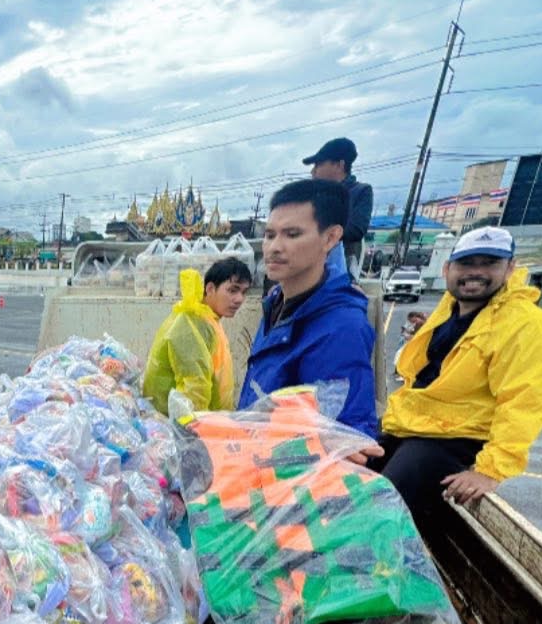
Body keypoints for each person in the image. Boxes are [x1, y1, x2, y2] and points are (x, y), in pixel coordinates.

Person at [374, 226, 542, 513]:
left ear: (510, 268)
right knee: (341, 470)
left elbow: (525, 401)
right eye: (466, 263)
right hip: (415, 424)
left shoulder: (526, 324)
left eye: (489, 264)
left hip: (456, 439)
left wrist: (490, 470)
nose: (475, 272)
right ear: (447, 269)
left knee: (381, 506)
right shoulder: (451, 307)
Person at [239, 178, 378, 437]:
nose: (274, 247)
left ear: (330, 238)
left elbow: (345, 437)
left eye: (292, 234)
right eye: (269, 235)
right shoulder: (276, 301)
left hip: (284, 460)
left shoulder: (341, 328)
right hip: (253, 450)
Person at [142, 258, 251, 415]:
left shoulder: (207, 320)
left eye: (244, 292)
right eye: (233, 290)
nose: (239, 299)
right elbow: (193, 393)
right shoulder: (191, 325)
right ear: (210, 288)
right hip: (174, 423)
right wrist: (200, 426)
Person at [302, 137, 373, 278]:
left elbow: (356, 230)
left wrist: (318, 231)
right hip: (307, 266)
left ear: (340, 165)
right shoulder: (311, 195)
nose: (313, 171)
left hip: (341, 270)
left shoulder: (360, 191)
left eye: (318, 164)